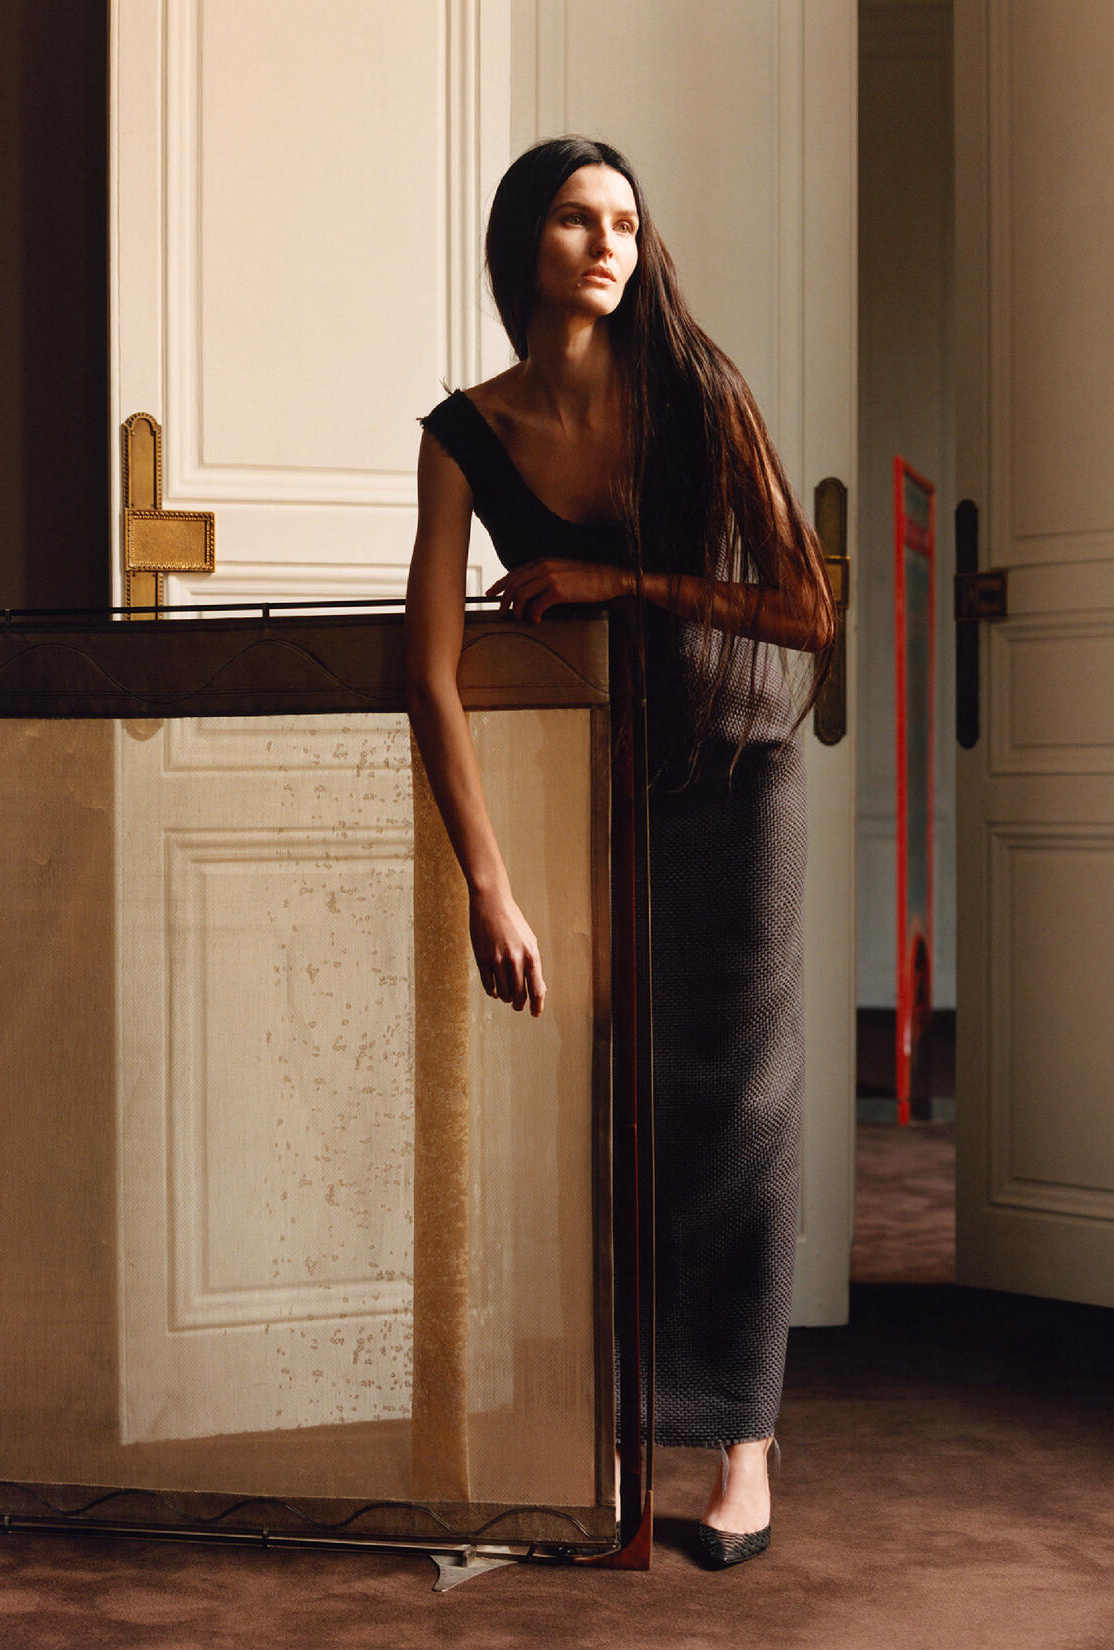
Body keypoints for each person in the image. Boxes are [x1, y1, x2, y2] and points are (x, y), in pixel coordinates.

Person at [404, 136, 836, 1570]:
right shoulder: (465, 434)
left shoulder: (700, 394)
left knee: (737, 1098)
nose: (608, 244)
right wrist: (486, 880)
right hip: (596, 782)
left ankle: (744, 1450)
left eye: (628, 224)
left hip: (736, 771)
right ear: (521, 243)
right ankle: (618, 1424)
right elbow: (429, 670)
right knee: (612, 1098)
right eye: (578, 219)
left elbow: (807, 610)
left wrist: (618, 578)